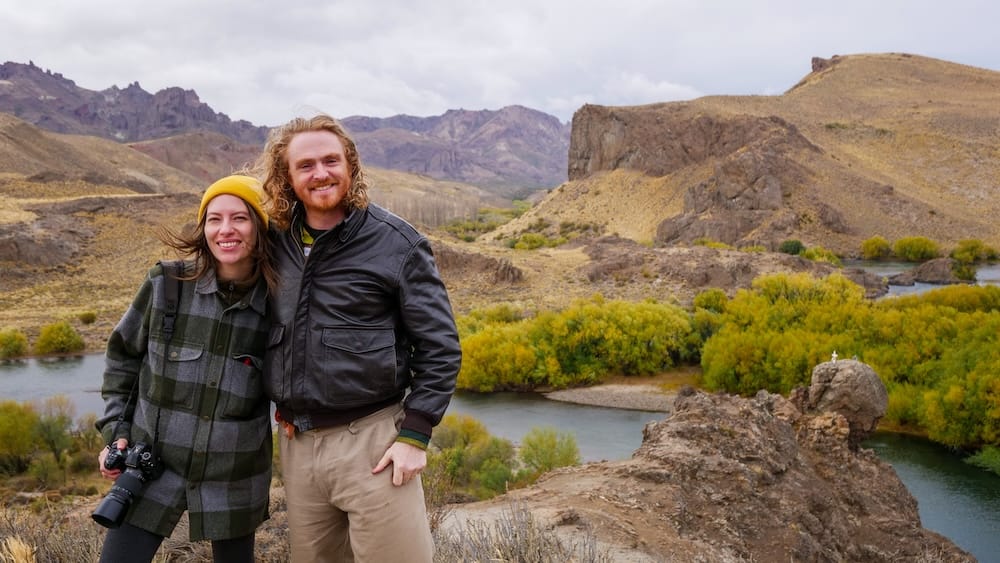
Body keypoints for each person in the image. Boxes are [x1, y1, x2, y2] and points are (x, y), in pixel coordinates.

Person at [253, 113, 462, 562]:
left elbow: (440, 348)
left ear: (350, 165)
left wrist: (415, 437)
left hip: (374, 444)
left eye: (331, 160)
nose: (321, 173)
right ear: (287, 177)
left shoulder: (397, 244)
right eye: (305, 165)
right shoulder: (274, 245)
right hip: (296, 445)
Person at [94, 175, 278, 563]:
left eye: (240, 218)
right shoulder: (167, 285)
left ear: (260, 228)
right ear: (203, 227)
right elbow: (122, 359)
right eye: (214, 219)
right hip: (151, 467)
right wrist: (116, 432)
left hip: (235, 476)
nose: (225, 230)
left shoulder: (280, 304)